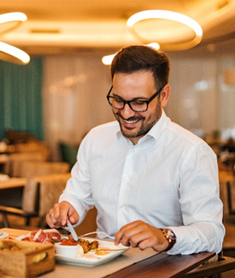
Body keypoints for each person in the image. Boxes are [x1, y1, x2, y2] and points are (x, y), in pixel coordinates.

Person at [46, 45, 225, 255]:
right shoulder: (95, 139)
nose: (126, 113)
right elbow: (78, 194)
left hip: (163, 267)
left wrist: (165, 236)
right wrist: (69, 206)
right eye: (118, 100)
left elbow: (212, 233)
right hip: (99, 263)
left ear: (164, 95)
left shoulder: (192, 151)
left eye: (139, 102)